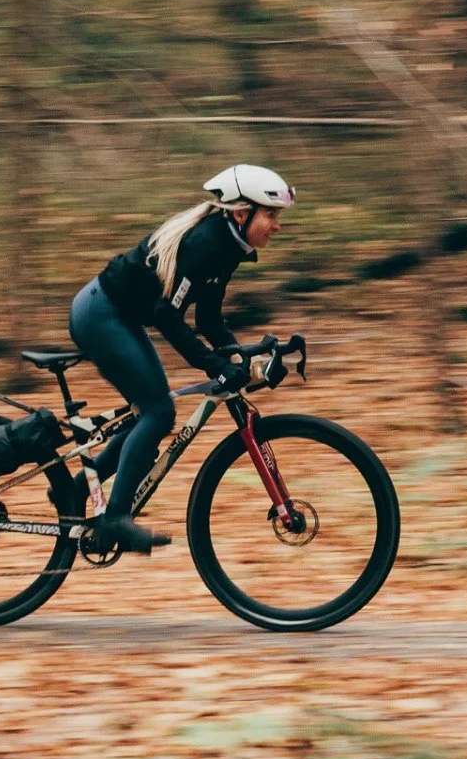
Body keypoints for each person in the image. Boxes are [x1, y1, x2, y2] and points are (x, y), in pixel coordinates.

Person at [66, 164, 296, 555]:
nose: (277, 225)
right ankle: (116, 518)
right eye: (271, 215)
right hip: (101, 314)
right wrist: (214, 364)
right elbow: (167, 315)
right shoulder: (206, 244)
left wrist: (239, 355)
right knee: (158, 412)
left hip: (120, 316)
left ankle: (73, 490)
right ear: (242, 213)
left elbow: (208, 319)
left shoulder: (228, 247)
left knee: (150, 412)